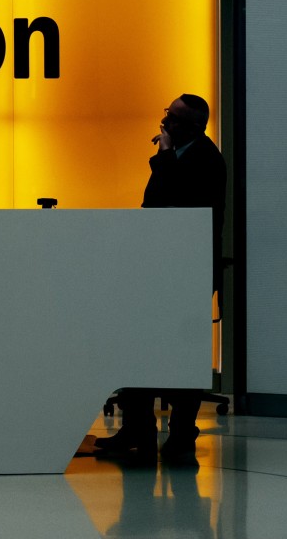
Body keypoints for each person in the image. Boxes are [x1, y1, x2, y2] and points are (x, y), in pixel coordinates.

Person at [95, 94, 226, 462]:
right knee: (137, 346)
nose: (164, 120)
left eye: (172, 116)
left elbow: (178, 208)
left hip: (187, 271)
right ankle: (137, 430)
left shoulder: (206, 160)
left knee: (181, 355)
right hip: (158, 270)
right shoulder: (178, 156)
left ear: (190, 126)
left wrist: (164, 155)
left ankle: (181, 438)